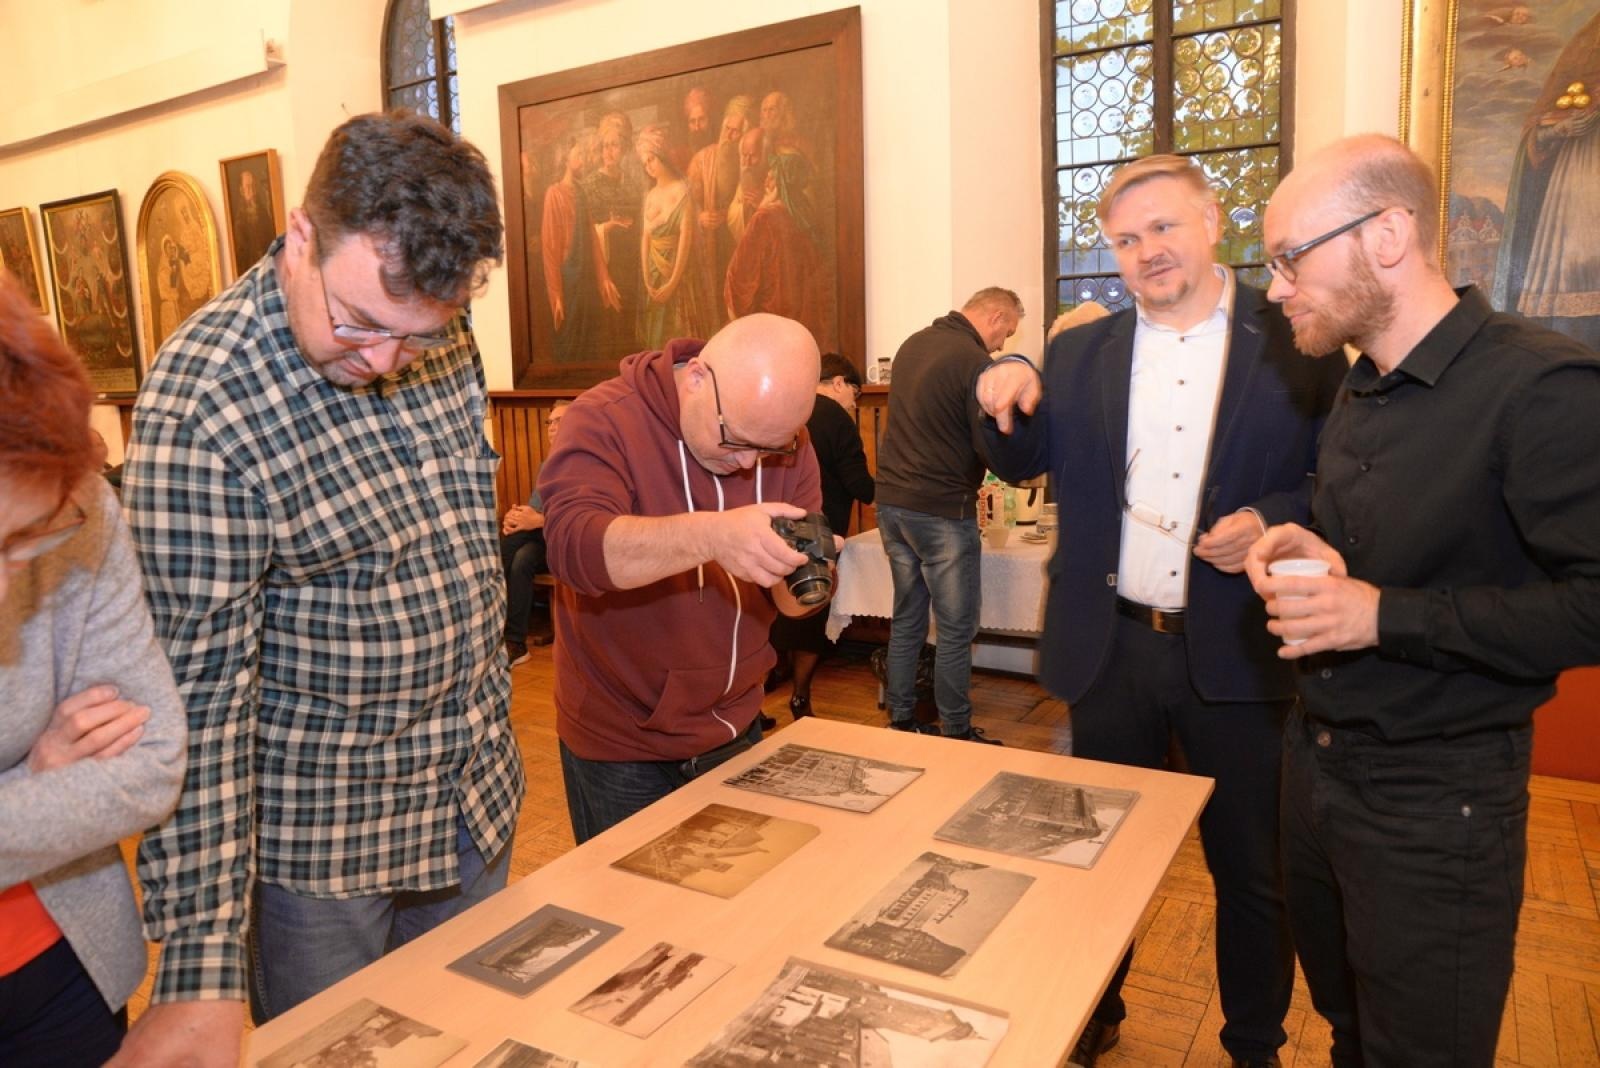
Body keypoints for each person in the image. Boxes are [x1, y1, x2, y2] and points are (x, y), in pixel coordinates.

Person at [117, 111, 525, 1064]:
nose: (384, 362)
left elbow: (459, 548)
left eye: (416, 340)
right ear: (302, 235)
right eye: (359, 324)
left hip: (476, 797)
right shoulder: (203, 405)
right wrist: (200, 969)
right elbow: (196, 709)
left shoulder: (434, 326)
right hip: (324, 856)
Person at [975, 155, 1346, 1068]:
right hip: (1111, 653)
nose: (1148, 252)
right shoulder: (1080, 349)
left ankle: (1252, 1043)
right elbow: (1020, 462)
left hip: (1240, 659)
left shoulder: (1294, 335)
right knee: (1098, 863)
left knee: (1254, 877)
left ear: (1214, 220)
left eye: (1165, 228)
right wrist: (999, 387)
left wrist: (1273, 518)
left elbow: (1342, 477)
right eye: (1128, 239)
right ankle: (1094, 1014)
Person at [1241, 133, 1600, 1068]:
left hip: (1438, 799)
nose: (1276, 287)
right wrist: (1316, 552)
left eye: (1289, 258)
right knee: (1350, 1028)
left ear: (1388, 234)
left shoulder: (1540, 387)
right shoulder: (1360, 384)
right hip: (1316, 767)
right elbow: (1398, 555)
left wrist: (1378, 615)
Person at [538, 312, 827, 844]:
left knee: (728, 910)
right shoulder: (604, 418)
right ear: (696, 378)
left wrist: (806, 574)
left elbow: (792, 605)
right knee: (631, 916)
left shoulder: (784, 440)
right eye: (735, 439)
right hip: (623, 741)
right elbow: (573, 549)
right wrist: (715, 537)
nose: (748, 464)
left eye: (769, 448)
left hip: (737, 721)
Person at [0, 272, 186, 1065]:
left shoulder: (74, 503)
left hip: (62, 963)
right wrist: (33, 787)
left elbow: (152, 761)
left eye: (19, 543)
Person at [874, 286, 1022, 743]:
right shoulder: (974, 362)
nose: (1001, 345)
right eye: (1007, 334)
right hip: (940, 508)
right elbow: (987, 442)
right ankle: (956, 729)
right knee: (957, 629)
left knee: (908, 619)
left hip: (892, 504)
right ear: (995, 316)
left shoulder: (912, 344)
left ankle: (901, 718)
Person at [770, 352, 874, 721]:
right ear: (840, 383)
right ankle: (800, 696)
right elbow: (859, 484)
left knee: (769, 613)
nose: (853, 403)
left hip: (773, 524)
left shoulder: (783, 406)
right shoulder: (837, 420)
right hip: (819, 531)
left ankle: (751, 709)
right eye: (855, 394)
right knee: (810, 613)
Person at [502, 399, 571, 664]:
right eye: (550, 422)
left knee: (509, 545)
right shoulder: (547, 464)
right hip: (542, 540)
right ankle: (515, 642)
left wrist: (537, 521)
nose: (552, 427)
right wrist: (515, 517)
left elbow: (581, 517)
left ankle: (498, 627)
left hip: (565, 542)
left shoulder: (583, 461)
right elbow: (534, 506)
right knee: (520, 558)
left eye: (559, 421)